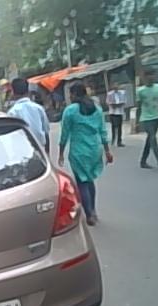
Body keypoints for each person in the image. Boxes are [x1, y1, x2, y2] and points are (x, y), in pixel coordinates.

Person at [58, 82, 113, 226]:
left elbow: (64, 134)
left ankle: (89, 214)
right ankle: (93, 210)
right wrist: (107, 151)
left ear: (74, 94)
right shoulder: (97, 109)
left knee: (82, 182)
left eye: (70, 94)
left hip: (79, 151)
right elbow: (103, 131)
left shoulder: (70, 111)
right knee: (90, 180)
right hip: (94, 149)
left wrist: (61, 153)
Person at [137, 69, 158, 172]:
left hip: (156, 117)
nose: (151, 77)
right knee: (153, 139)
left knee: (150, 140)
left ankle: (143, 161)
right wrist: (137, 122)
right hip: (146, 118)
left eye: (152, 75)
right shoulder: (140, 91)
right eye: (148, 76)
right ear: (144, 78)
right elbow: (139, 107)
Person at [7, 77, 51, 153]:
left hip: (23, 152)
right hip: (40, 150)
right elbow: (46, 132)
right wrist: (47, 154)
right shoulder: (38, 108)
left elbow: (12, 138)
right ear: (28, 91)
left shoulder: (12, 112)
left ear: (13, 93)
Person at [107, 82, 126, 147]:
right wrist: (113, 105)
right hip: (113, 112)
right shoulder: (110, 94)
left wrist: (120, 104)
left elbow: (124, 101)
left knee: (119, 127)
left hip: (120, 112)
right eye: (114, 86)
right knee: (113, 126)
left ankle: (119, 141)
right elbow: (108, 102)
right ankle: (113, 139)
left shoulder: (122, 93)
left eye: (117, 86)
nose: (116, 87)